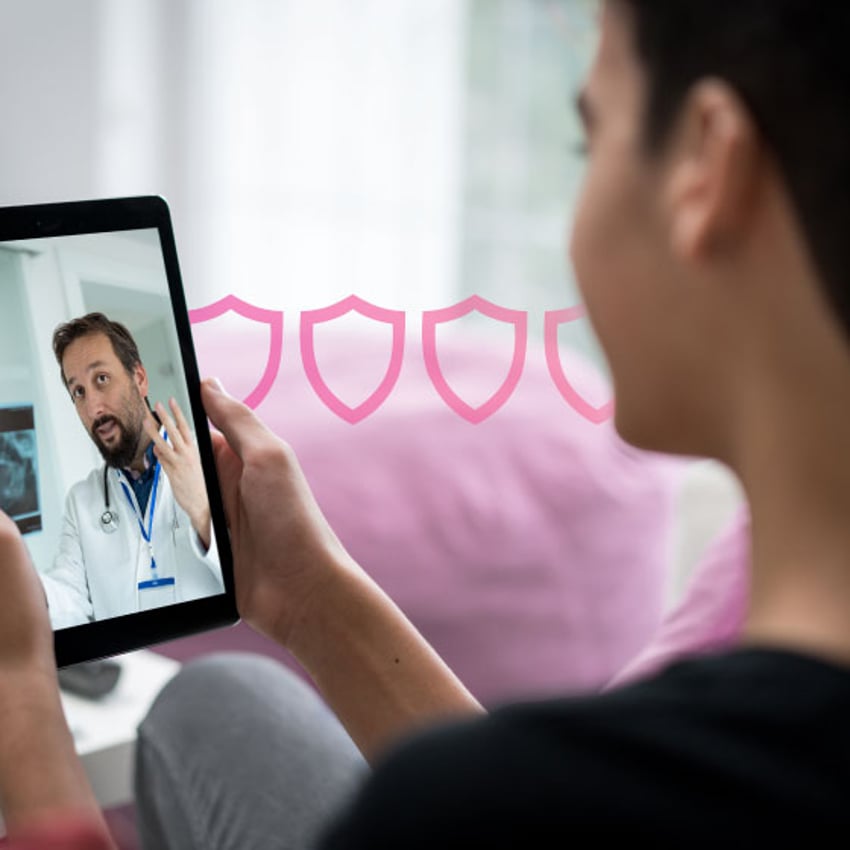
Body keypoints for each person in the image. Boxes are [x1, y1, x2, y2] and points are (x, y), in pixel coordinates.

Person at [1, 0, 849, 845]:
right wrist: (310, 598)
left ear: (710, 165)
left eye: (588, 144)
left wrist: (22, 706)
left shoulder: (458, 805)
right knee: (219, 703)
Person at [39, 313, 223, 628]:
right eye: (79, 393)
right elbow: (67, 597)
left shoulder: (211, 461)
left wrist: (203, 512)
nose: (93, 408)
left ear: (139, 378)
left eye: (101, 379)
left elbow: (256, 581)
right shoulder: (81, 500)